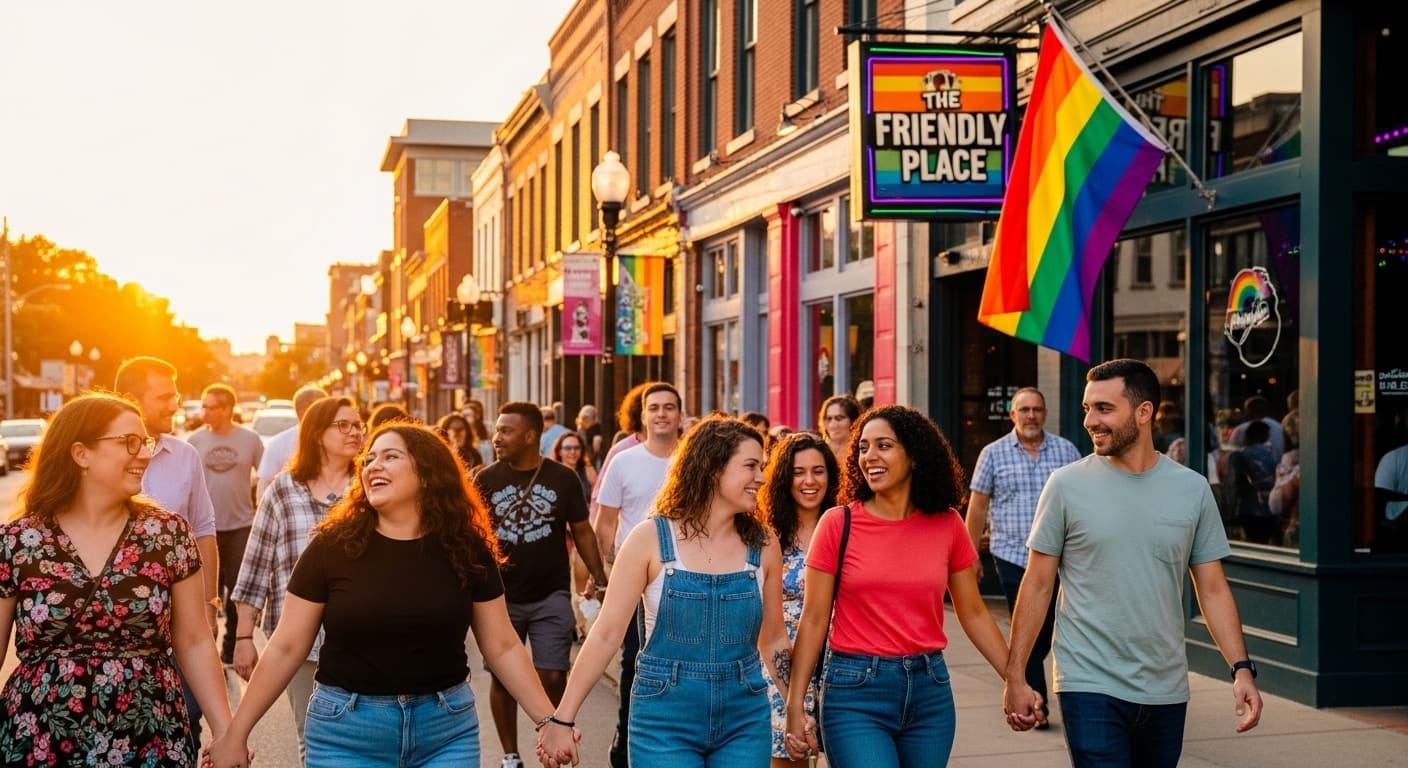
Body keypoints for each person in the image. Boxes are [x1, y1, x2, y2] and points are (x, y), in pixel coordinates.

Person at [206, 423, 566, 768]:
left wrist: (547, 720)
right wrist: (236, 733)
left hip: (445, 733)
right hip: (345, 735)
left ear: (426, 473)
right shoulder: (331, 547)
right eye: (370, 458)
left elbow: (502, 644)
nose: (373, 465)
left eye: (390, 456)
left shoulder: (465, 550)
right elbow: (286, 646)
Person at [1003, 358, 1264, 766]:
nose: (1090, 420)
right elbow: (1037, 584)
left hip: (1166, 686)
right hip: (1087, 680)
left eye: (1104, 408)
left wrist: (1241, 669)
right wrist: (1015, 675)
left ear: (1144, 413)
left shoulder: (1191, 489)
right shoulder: (1066, 485)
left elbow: (1212, 589)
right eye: (1087, 408)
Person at [539, 416, 791, 768]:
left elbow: (775, 638)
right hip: (664, 717)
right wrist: (563, 718)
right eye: (751, 466)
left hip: (744, 716)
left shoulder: (763, 544)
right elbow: (606, 635)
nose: (761, 478)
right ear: (713, 468)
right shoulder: (650, 540)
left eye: (761, 467)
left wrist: (795, 708)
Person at [0, 392, 233, 763]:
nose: (145, 453)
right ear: (81, 454)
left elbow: (193, 640)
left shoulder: (167, 535)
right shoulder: (18, 543)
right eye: (130, 443)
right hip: (40, 738)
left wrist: (226, 731)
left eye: (145, 443)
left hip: (150, 735)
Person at [783, 405, 1011, 767]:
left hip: (929, 692)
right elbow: (813, 620)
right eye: (863, 447)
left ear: (915, 456)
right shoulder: (837, 523)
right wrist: (795, 703)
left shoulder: (947, 523)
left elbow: (974, 612)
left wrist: (1015, 679)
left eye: (883, 446)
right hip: (855, 693)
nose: (869, 456)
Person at [476, 402, 610, 768]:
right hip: (500, 596)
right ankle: (510, 755)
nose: (497, 437)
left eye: (506, 431)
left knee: (552, 673)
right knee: (503, 679)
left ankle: (553, 744)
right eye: (498, 429)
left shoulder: (562, 478)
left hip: (551, 591)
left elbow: (582, 531)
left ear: (531, 435)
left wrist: (600, 579)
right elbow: (473, 536)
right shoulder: (486, 480)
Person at [229, 396, 363, 759]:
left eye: (357, 425)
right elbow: (256, 564)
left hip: (363, 637)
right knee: (313, 740)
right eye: (344, 425)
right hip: (299, 642)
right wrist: (243, 635)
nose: (355, 432)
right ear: (318, 434)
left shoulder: (368, 488)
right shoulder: (283, 489)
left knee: (361, 737)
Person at [115, 356, 221, 746]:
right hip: (121, 627)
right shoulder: (100, 459)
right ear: (130, 398)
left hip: (181, 621)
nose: (174, 405)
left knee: (185, 720)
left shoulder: (185, 455)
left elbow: (204, 530)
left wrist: (210, 606)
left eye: (175, 395)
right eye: (163, 396)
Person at [965, 387, 1080, 728]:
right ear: (1012, 415)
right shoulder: (993, 454)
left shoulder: (1066, 451)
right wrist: (969, 556)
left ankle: (1025, 685)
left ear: (1045, 414)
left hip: (1059, 557)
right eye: (1024, 410)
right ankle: (1036, 703)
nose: (1031, 415)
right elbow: (978, 507)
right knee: (1026, 624)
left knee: (1046, 631)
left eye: (1037, 409)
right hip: (1012, 554)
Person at [593, 382, 682, 768]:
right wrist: (601, 574)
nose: (661, 413)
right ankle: (626, 739)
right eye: (654, 407)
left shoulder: (692, 460)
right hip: (635, 580)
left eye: (669, 407)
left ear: (680, 415)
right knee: (634, 659)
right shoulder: (624, 461)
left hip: (687, 578)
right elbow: (605, 522)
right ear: (642, 415)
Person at [756, 432, 839, 768]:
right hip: (782, 666)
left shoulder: (845, 526)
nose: (809, 481)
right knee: (791, 760)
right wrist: (798, 698)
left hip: (844, 665)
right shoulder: (767, 535)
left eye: (818, 471)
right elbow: (767, 629)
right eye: (798, 471)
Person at [187, 383, 266, 665]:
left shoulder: (250, 439)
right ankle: (209, 640)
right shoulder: (194, 441)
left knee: (236, 590)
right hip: (203, 529)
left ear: (227, 409)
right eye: (203, 406)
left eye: (210, 407)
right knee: (207, 591)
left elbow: (266, 476)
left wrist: (261, 511)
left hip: (241, 526)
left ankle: (231, 644)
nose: (204, 412)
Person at [256, 385, 328, 500]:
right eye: (323, 407)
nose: (329, 413)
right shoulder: (278, 444)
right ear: (302, 410)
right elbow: (264, 489)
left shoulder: (340, 439)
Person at [1228, 420, 1280, 545]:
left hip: (1249, 508)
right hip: (1270, 508)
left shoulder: (1239, 456)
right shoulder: (1274, 457)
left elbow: (1235, 484)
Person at [817, 394, 861, 468]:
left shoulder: (862, 452)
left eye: (839, 418)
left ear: (853, 421)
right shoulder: (817, 452)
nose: (833, 425)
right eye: (829, 419)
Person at [552, 431, 597, 501]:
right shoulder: (551, 474)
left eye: (577, 448)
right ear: (559, 451)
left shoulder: (589, 471)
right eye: (568, 448)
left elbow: (595, 502)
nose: (573, 452)